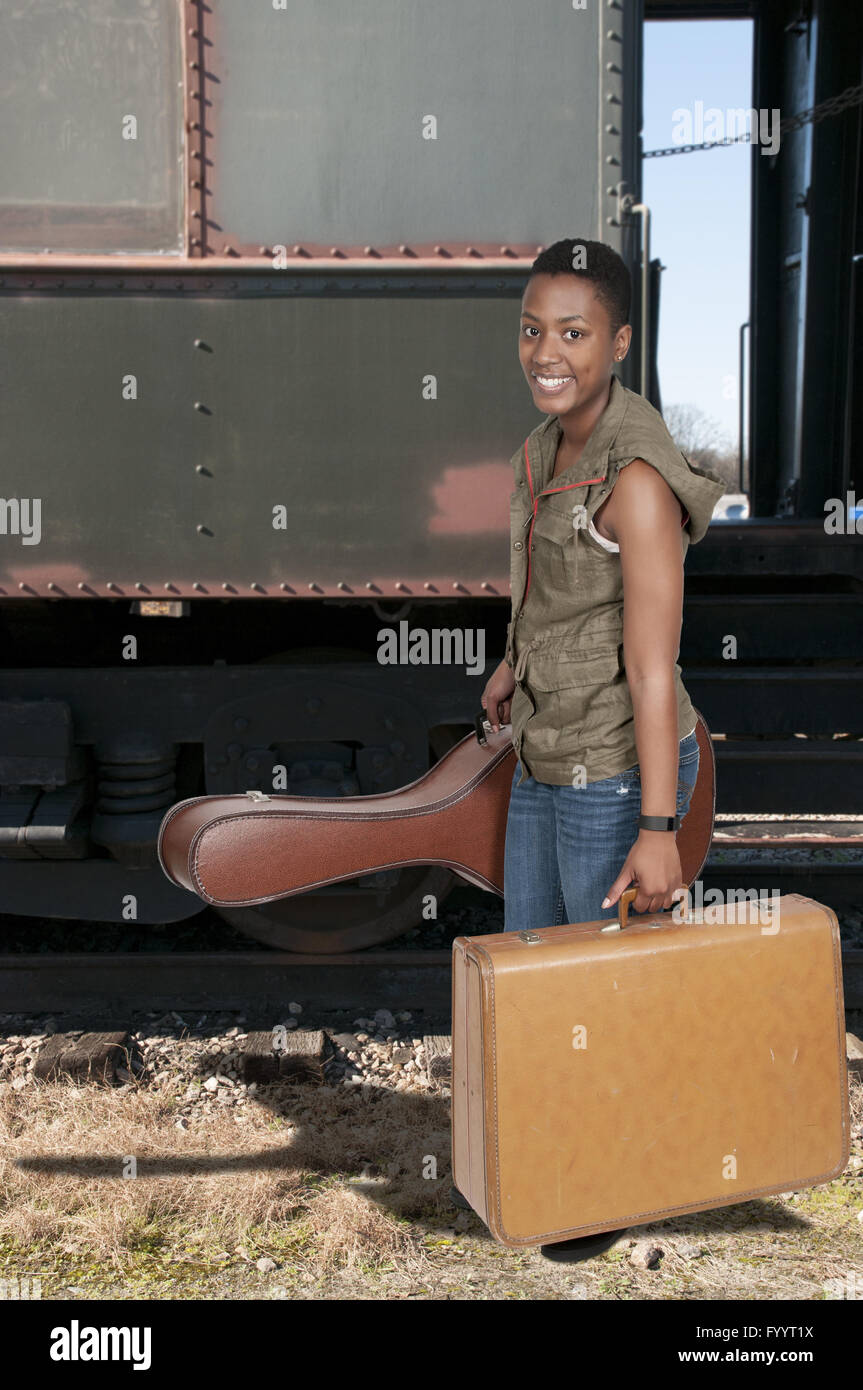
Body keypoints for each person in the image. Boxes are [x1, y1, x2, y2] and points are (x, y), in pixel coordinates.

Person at [459, 238, 727, 1263]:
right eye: (532, 328)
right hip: (543, 753)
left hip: (615, 774)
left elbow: (652, 668)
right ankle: (557, 1168)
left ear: (618, 342)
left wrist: (657, 830)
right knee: (536, 978)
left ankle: (609, 1182)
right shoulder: (543, 450)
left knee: (600, 995)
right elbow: (553, 597)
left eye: (572, 332)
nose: (546, 350)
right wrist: (508, 663)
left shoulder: (635, 478)